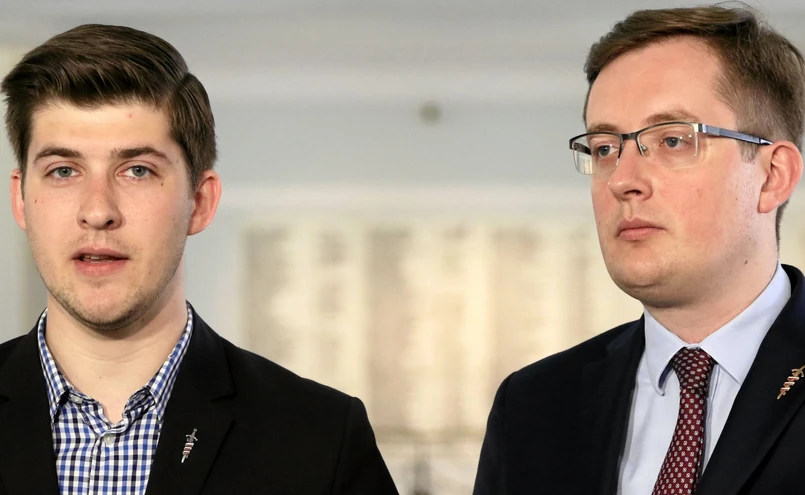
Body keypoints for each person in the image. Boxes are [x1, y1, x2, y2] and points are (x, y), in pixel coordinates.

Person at [0, 24, 398, 494]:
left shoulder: (321, 438)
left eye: (137, 170)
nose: (98, 211)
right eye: (63, 171)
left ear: (200, 202)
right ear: (21, 200)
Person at [474, 5, 805, 495]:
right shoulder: (533, 406)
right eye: (605, 148)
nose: (623, 180)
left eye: (672, 140)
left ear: (773, 176)